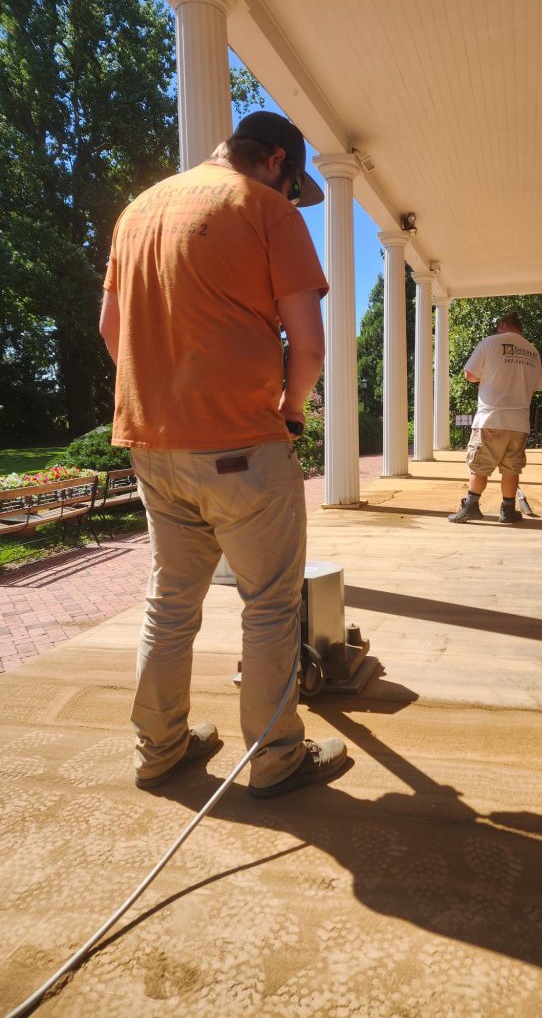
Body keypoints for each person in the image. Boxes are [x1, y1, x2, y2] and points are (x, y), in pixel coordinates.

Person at [99, 111, 347, 798]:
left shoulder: (137, 211)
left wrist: (162, 396)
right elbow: (311, 345)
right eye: (294, 185)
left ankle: (158, 748)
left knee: (169, 603)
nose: (294, 199)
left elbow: (111, 329)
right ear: (274, 161)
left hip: (153, 446)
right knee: (269, 605)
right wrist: (291, 411)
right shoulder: (265, 210)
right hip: (241, 444)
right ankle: (275, 758)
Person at [449, 312, 542, 525]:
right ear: (520, 328)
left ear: (501, 325)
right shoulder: (532, 351)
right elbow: (535, 386)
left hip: (491, 419)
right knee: (512, 468)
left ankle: (471, 507)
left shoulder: (489, 343)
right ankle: (508, 511)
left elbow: (470, 375)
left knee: (480, 466)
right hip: (519, 422)